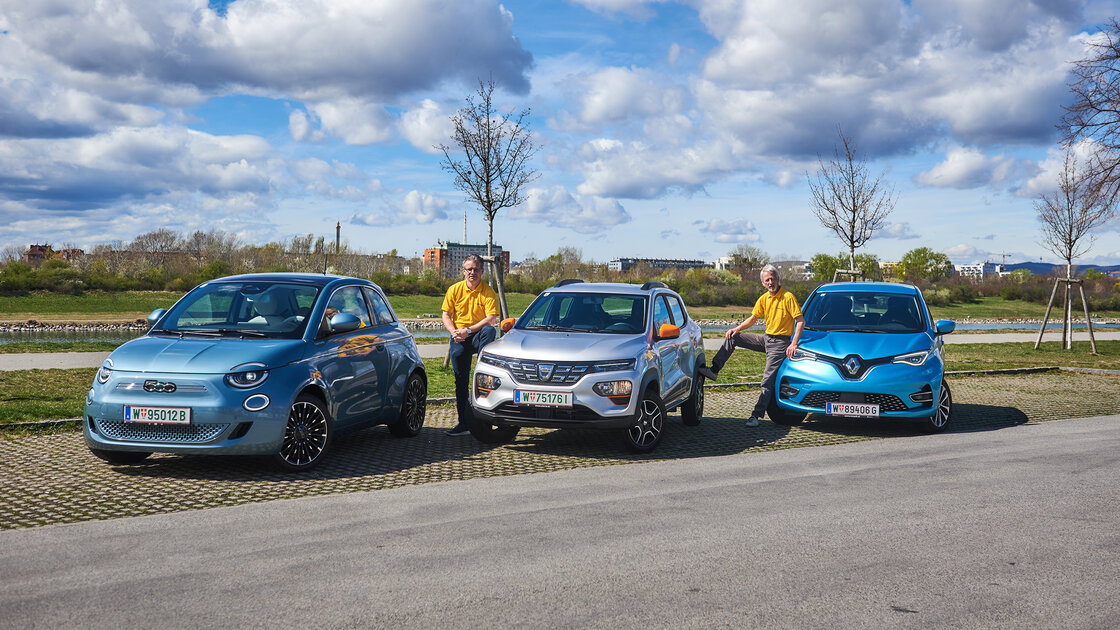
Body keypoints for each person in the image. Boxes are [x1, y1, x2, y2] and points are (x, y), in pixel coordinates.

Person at [698, 264, 804, 427]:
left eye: (772, 279)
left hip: (780, 344)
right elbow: (753, 319)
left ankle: (756, 415)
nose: (770, 282)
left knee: (766, 381)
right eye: (767, 280)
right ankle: (714, 370)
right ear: (763, 283)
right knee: (733, 337)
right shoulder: (764, 299)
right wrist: (736, 328)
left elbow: (800, 321)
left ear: (778, 279)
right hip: (766, 338)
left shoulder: (788, 297)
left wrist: (794, 343)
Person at [441, 254, 500, 436]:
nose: (472, 272)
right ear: (464, 271)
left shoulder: (488, 292)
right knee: (460, 380)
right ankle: (463, 423)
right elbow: (446, 315)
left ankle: (482, 367)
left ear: (482, 271)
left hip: (476, 334)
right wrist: (454, 332)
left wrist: (468, 330)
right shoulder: (454, 289)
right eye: (469, 269)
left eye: (476, 269)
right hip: (459, 336)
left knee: (490, 331)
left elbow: (491, 319)